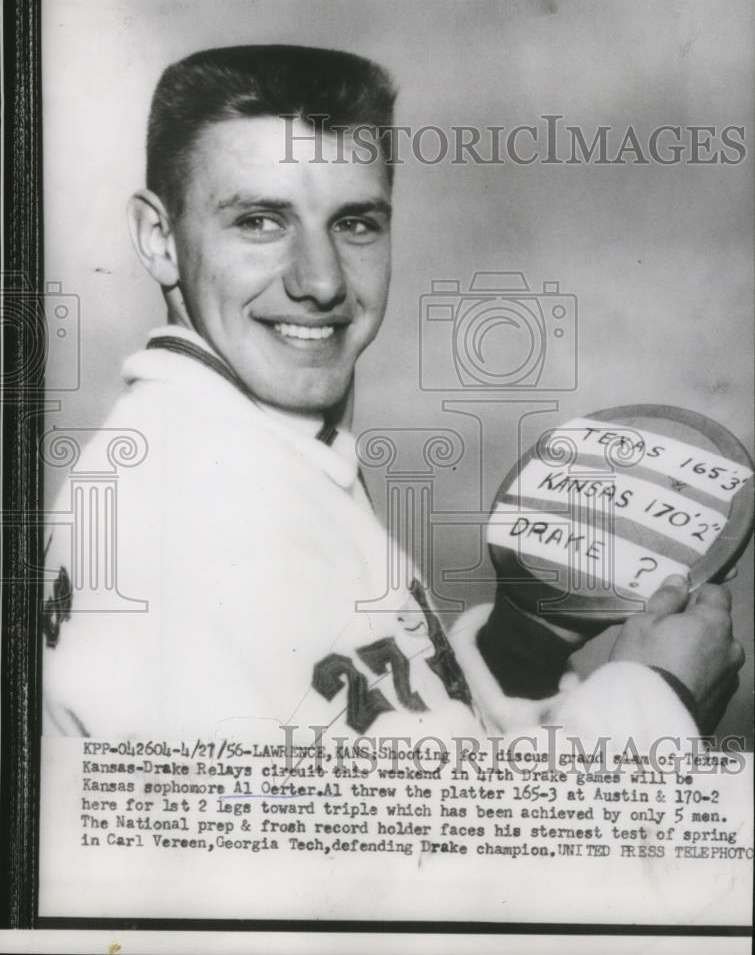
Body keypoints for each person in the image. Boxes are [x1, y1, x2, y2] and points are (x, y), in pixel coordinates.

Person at [42, 45, 743, 747]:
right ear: (157, 237)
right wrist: (659, 700)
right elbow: (433, 852)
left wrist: (519, 645)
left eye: (355, 224)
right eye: (260, 220)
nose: (320, 281)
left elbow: (383, 757)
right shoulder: (192, 517)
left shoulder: (246, 449)